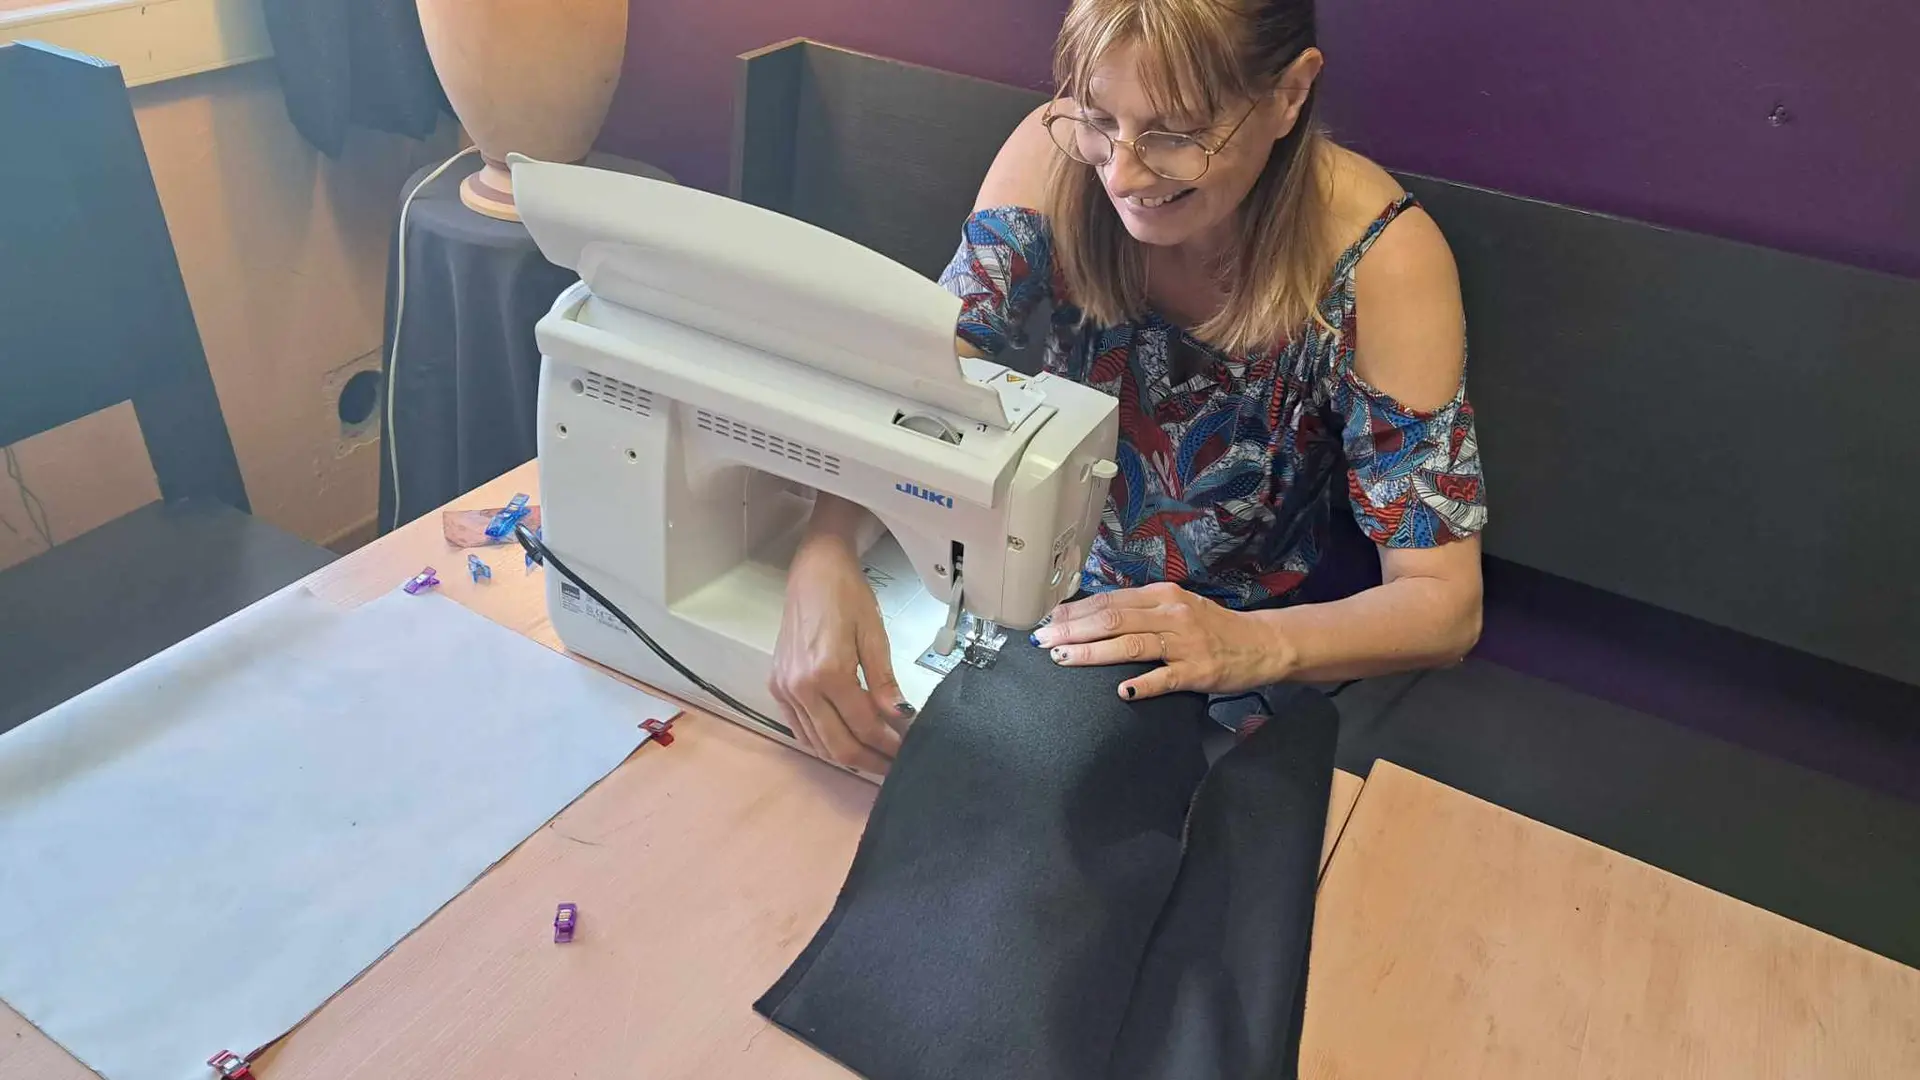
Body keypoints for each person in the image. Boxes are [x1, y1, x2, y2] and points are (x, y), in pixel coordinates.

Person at [772, 0, 1487, 773]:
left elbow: (1443, 603)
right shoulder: (1056, 158)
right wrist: (826, 547)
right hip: (1034, 587)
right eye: (1097, 117)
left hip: (1227, 651)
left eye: (1176, 133)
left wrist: (1249, 644)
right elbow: (926, 377)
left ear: (1289, 93)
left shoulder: (1382, 265)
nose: (1122, 172)